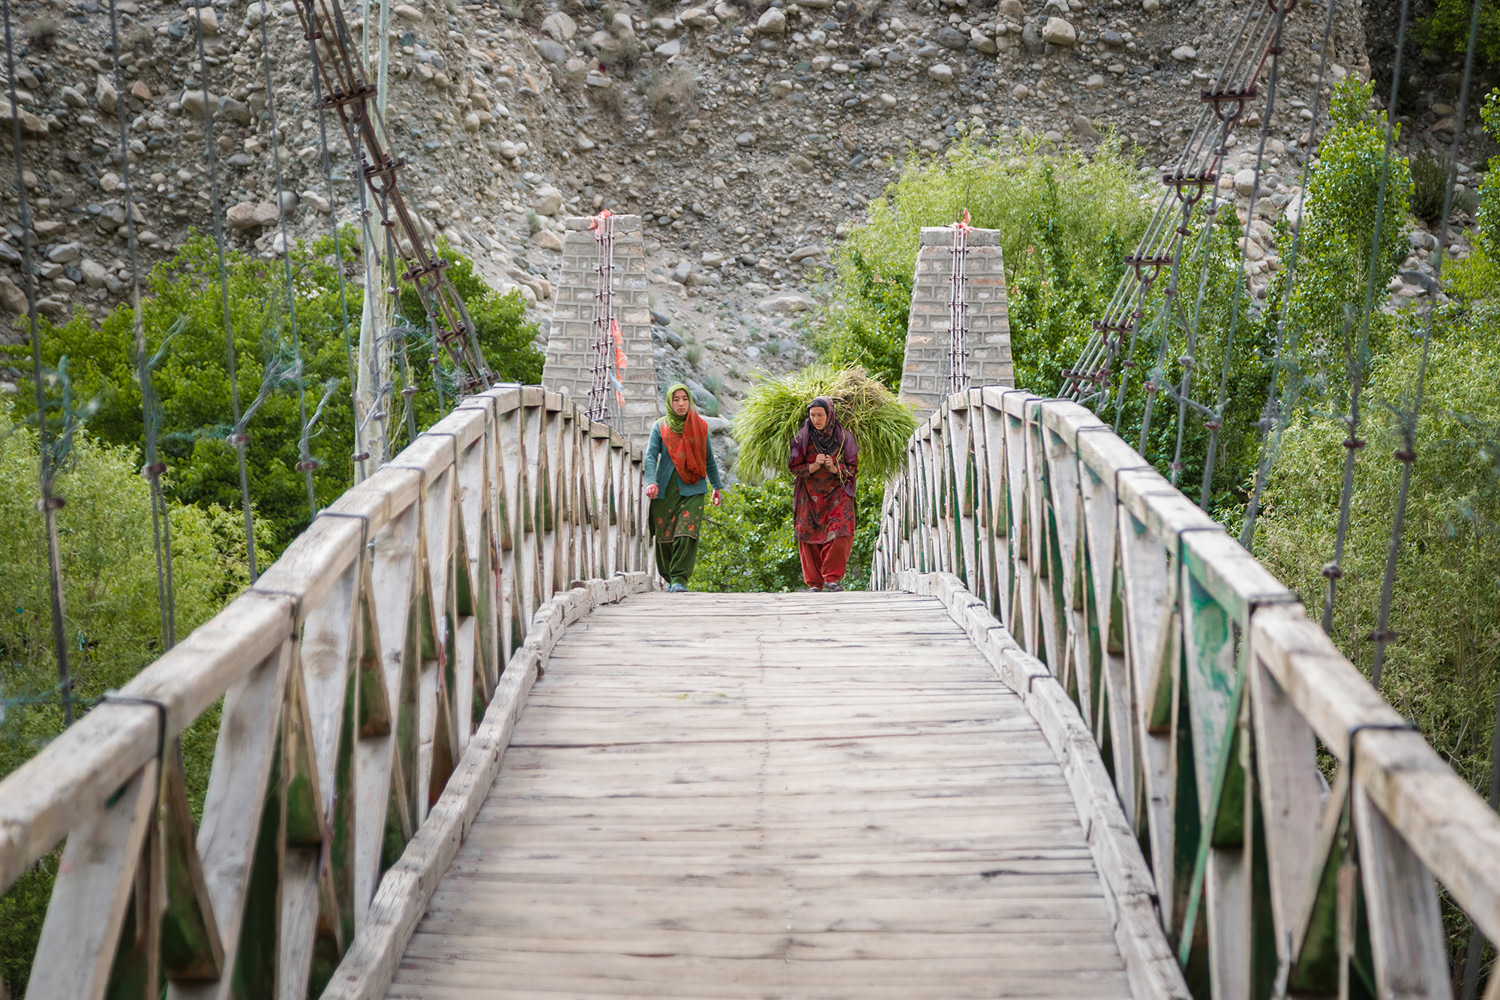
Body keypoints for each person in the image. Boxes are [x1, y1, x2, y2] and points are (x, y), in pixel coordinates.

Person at [645, 383, 724, 592]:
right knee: (665, 536)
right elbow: (651, 456)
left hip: (694, 488)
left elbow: (708, 458)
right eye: (676, 399)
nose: (681, 403)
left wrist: (716, 486)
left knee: (686, 533)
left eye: (685, 399)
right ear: (670, 402)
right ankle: (670, 578)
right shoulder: (660, 426)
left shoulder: (699, 426)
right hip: (665, 490)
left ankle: (679, 578)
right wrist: (651, 481)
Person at [789, 396, 858, 592]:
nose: (816, 420)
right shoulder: (801, 438)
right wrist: (813, 466)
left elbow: (853, 467)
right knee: (807, 535)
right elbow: (794, 468)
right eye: (812, 415)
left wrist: (835, 468)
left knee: (840, 531)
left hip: (837, 493)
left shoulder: (844, 437)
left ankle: (832, 578)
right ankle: (814, 583)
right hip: (808, 495)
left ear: (830, 415)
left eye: (820, 415)